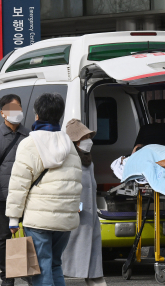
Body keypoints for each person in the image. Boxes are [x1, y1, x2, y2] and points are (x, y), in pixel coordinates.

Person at [6, 93, 82, 286]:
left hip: (38, 218)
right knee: (55, 264)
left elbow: (18, 184)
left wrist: (14, 218)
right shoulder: (69, 145)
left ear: (37, 116)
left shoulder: (29, 143)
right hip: (65, 220)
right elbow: (75, 181)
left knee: (41, 267)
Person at [0, 94, 30, 286]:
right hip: (3, 196)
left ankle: (30, 273)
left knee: (29, 235)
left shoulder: (29, 136)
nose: (16, 112)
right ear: (3, 113)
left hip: (27, 196)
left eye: (19, 108)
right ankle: (7, 276)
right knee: (4, 237)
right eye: (11, 109)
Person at [62, 119, 106, 286]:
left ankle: (96, 279)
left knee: (93, 251)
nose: (89, 140)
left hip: (90, 216)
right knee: (70, 252)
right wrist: (75, 206)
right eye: (84, 137)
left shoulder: (89, 160)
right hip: (75, 214)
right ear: (75, 140)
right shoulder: (67, 159)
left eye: (89, 136)